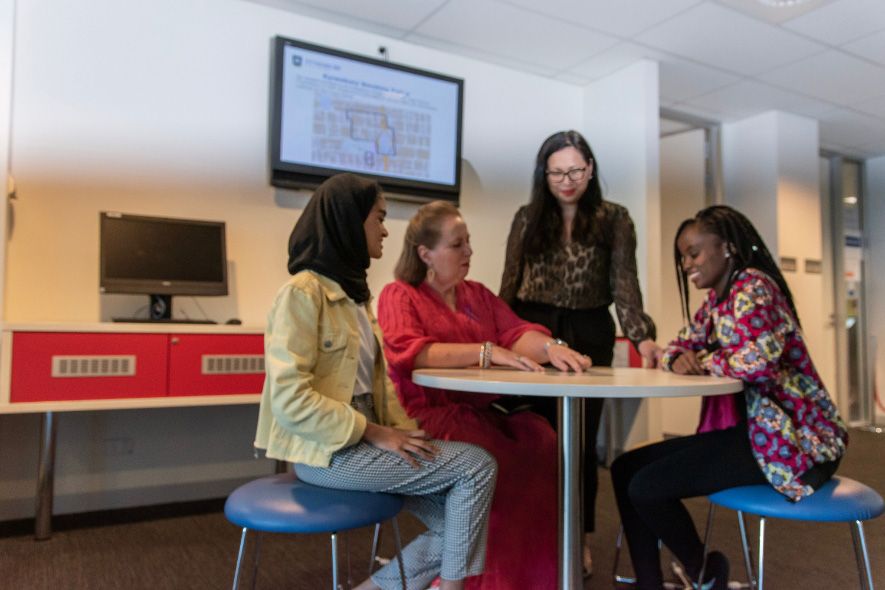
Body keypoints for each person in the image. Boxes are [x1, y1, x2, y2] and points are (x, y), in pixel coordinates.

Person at [254, 174, 499, 590]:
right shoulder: (302, 293)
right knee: (477, 467)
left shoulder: (355, 298)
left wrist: (402, 432)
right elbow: (290, 400)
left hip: (366, 437)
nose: (386, 230)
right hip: (326, 451)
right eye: (379, 218)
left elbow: (378, 390)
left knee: (461, 521)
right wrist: (374, 432)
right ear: (349, 221)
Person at [611, 205, 848, 590]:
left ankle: (706, 573)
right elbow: (677, 347)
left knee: (645, 486)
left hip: (794, 442)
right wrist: (680, 357)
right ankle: (650, 582)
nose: (687, 263)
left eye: (694, 252)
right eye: (683, 256)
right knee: (625, 469)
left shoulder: (754, 287)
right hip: (755, 435)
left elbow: (758, 363)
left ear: (727, 248)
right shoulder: (718, 302)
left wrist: (701, 360)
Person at [377, 200, 591, 590]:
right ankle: (486, 579)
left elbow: (514, 333)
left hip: (482, 413)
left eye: (468, 242)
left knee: (542, 440)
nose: (469, 252)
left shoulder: (475, 293)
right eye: (457, 244)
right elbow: (413, 352)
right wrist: (485, 352)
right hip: (429, 419)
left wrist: (549, 348)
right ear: (426, 253)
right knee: (498, 460)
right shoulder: (399, 295)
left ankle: (535, 576)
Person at [499, 129, 659, 575]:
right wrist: (495, 338)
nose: (567, 180)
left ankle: (578, 540)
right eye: (557, 171)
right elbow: (509, 282)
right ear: (543, 173)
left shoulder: (614, 218)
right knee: (530, 434)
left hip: (590, 333)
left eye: (576, 170)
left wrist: (642, 334)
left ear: (590, 170)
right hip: (534, 328)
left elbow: (624, 285)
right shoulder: (526, 216)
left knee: (581, 443)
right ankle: (529, 534)